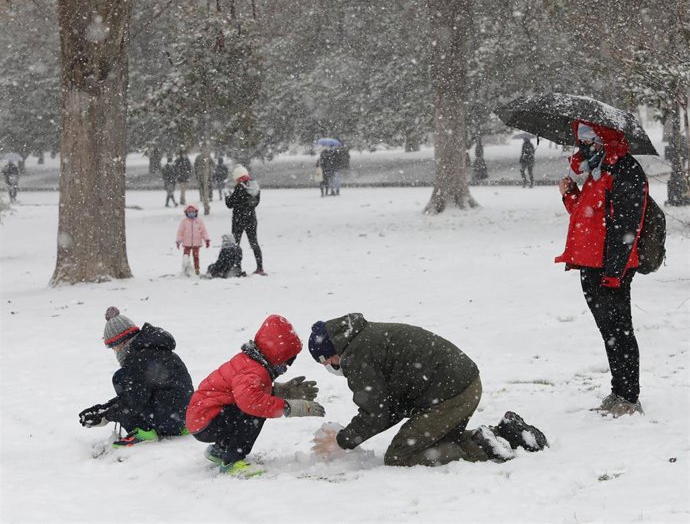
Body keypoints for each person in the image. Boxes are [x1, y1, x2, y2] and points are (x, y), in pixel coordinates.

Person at [308, 313, 548, 467]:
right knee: (436, 440)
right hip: (462, 384)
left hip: (452, 394)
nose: (330, 367)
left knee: (400, 455)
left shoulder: (357, 356)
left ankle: (487, 447)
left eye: (327, 362)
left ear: (332, 351)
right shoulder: (364, 337)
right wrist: (350, 437)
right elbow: (389, 407)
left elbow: (376, 412)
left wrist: (342, 440)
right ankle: (506, 435)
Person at [556, 121, 648, 418]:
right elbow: (586, 218)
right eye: (582, 142)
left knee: (620, 331)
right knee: (607, 330)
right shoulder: (597, 172)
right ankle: (617, 390)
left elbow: (627, 225)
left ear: (605, 140)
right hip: (589, 264)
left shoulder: (625, 170)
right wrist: (570, 194)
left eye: (591, 141)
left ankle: (630, 397)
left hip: (613, 267)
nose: (585, 147)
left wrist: (614, 271)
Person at [186, 314, 324, 476]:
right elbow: (251, 402)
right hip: (207, 422)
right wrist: (289, 407)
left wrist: (281, 391)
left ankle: (220, 449)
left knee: (254, 406)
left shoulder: (251, 362)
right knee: (255, 411)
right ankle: (232, 460)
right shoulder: (254, 370)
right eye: (287, 361)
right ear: (277, 356)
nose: (286, 367)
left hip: (203, 418)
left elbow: (243, 393)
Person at [78, 306, 194, 446]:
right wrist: (104, 408)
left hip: (169, 421)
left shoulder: (138, 360)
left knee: (120, 377)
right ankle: (174, 427)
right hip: (184, 418)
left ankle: (144, 432)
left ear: (121, 343)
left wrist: (106, 415)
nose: (115, 352)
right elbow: (137, 393)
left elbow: (133, 402)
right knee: (127, 382)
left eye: (113, 347)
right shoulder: (152, 350)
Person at [225, 165, 265, 275]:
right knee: (254, 243)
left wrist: (227, 197)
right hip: (251, 218)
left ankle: (237, 267)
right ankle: (260, 267)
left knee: (236, 244)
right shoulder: (255, 187)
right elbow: (255, 203)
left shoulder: (239, 188)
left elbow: (230, 204)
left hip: (239, 219)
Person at [176, 204, 210, 276]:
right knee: (186, 257)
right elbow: (180, 232)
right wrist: (178, 241)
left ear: (196, 212)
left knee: (196, 257)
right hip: (186, 243)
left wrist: (206, 239)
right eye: (189, 212)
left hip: (196, 243)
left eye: (193, 212)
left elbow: (203, 231)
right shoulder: (184, 222)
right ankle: (186, 269)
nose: (191, 214)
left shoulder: (199, 221)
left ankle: (197, 270)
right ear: (186, 213)